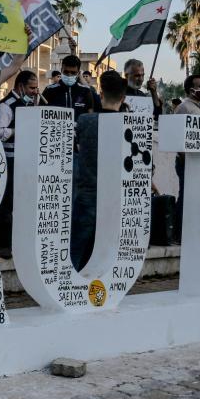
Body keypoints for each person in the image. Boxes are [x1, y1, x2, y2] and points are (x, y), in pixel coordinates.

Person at [71, 70, 129, 269]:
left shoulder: (84, 121)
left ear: (101, 94)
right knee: (108, 253)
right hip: (115, 196)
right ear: (123, 98)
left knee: (77, 249)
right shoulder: (127, 125)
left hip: (87, 192)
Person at [0, 70, 41, 259]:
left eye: (36, 88)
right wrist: (18, 130)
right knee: (7, 204)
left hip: (27, 159)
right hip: (10, 160)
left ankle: (20, 241)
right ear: (20, 86)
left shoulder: (30, 104)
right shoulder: (6, 106)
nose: (35, 92)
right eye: (32, 88)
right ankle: (5, 244)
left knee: (24, 202)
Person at [170, 74, 200, 244]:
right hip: (186, 161)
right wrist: (184, 156)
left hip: (199, 161)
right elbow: (176, 134)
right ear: (191, 90)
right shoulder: (184, 107)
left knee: (194, 198)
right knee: (185, 196)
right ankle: (177, 234)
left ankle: (190, 232)